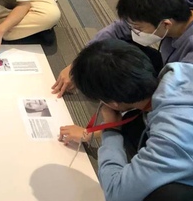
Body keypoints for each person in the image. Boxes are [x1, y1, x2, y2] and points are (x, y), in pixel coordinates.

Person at [54, 0, 193, 143]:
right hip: (169, 68)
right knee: (112, 52)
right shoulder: (176, 6)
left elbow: (177, 102)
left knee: (137, 131)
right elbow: (118, 29)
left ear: (166, 24)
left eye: (138, 28)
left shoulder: (188, 66)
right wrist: (79, 64)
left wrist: (92, 133)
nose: (133, 30)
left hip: (183, 98)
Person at [69, 39, 193, 201]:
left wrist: (110, 129)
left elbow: (115, 192)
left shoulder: (170, 139)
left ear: (113, 103)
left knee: (165, 194)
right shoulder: (181, 70)